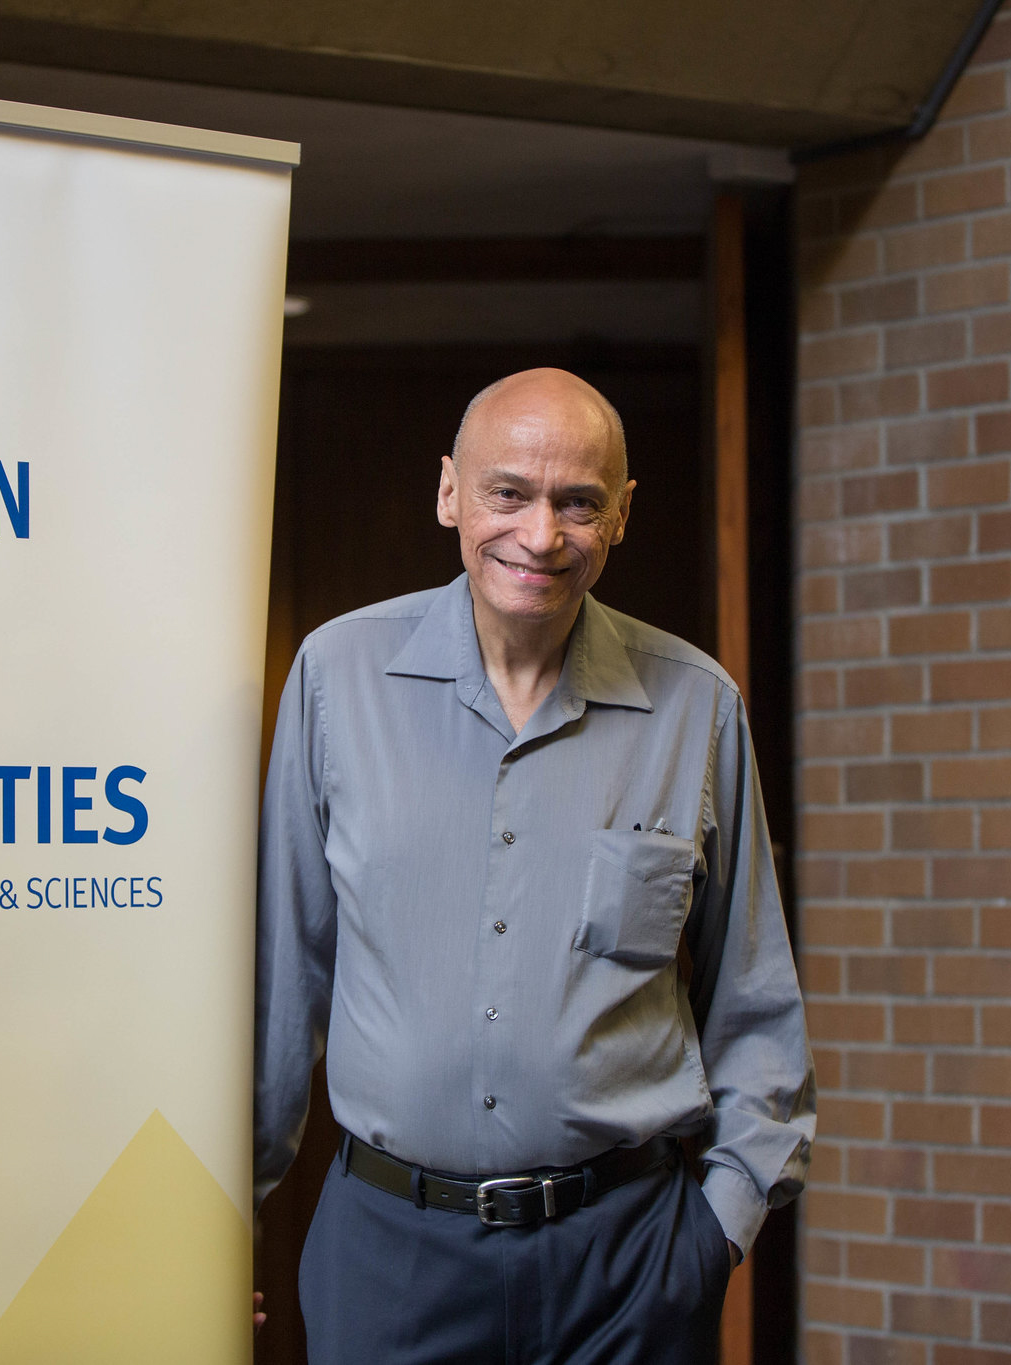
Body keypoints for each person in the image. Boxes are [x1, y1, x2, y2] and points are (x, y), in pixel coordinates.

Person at [254, 368, 814, 1363]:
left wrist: (716, 1229)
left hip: (630, 1265)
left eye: (577, 502)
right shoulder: (336, 679)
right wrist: (226, 1223)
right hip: (390, 1260)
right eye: (506, 492)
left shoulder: (696, 705)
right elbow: (276, 984)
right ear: (449, 494)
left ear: (622, 514)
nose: (541, 535)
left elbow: (753, 1002)